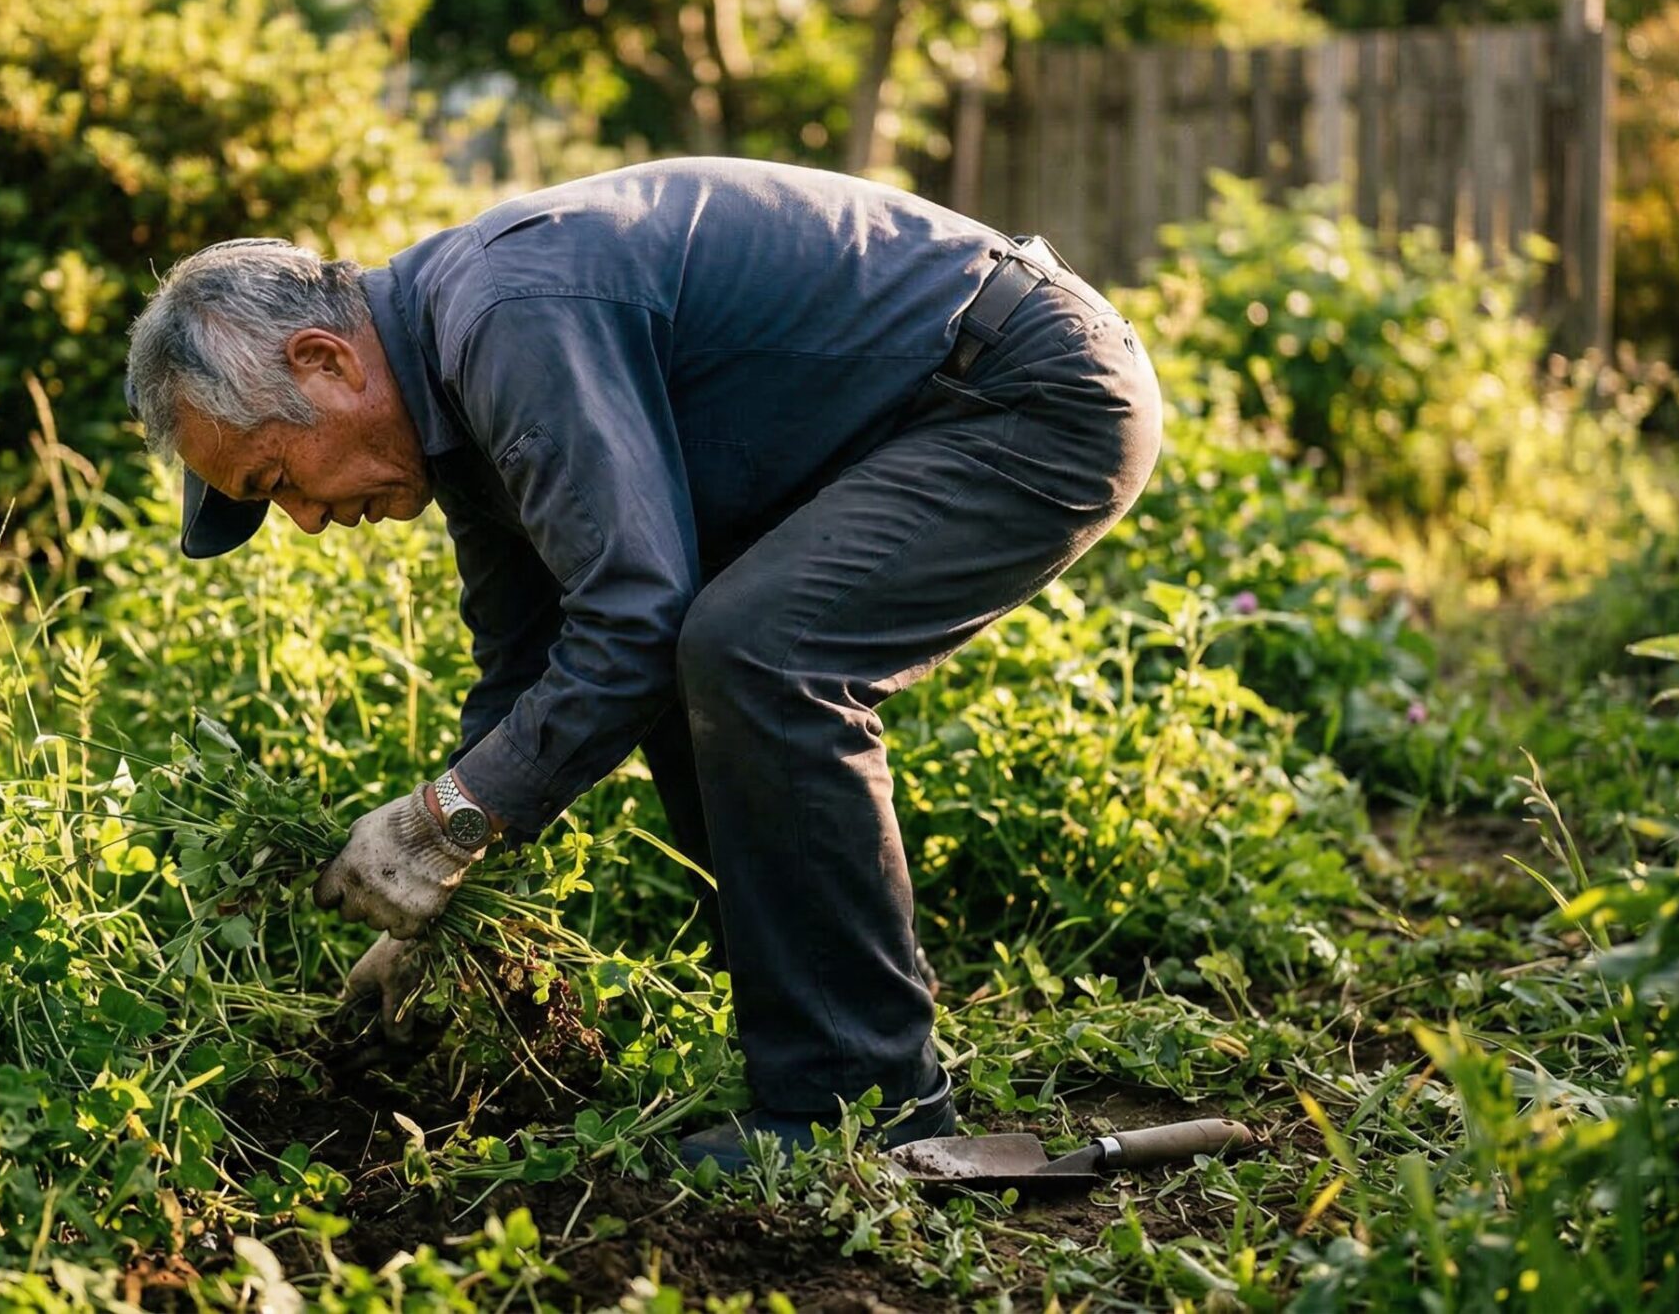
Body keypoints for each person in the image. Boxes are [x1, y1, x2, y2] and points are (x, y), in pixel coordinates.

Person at [123, 157, 1161, 1170]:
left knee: (753, 649)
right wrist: (437, 892)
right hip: (924, 405)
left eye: (277, 479)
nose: (303, 521)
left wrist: (442, 821)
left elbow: (632, 618)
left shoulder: (503, 315)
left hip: (1019, 391)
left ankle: (862, 1096)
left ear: (324, 362)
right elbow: (529, 662)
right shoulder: (450, 393)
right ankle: (819, 1055)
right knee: (686, 654)